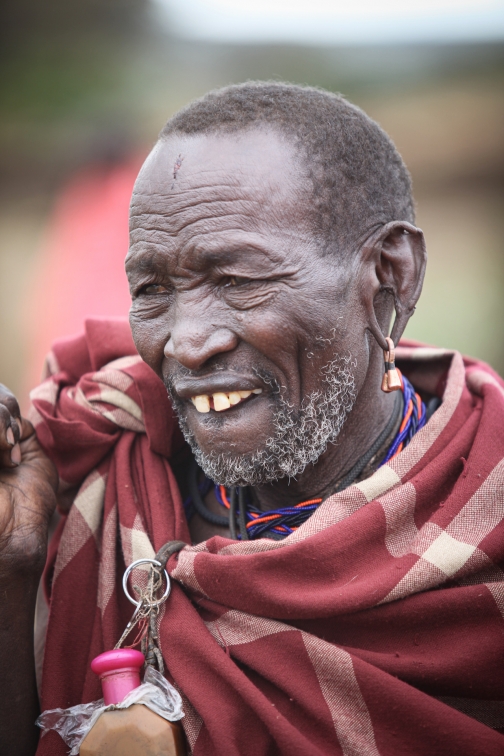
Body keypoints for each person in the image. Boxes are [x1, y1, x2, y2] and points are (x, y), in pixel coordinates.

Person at [1, 82, 504, 756]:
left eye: (238, 281)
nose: (185, 342)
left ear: (389, 273)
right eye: (152, 290)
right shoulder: (86, 476)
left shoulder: (485, 508)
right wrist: (12, 571)